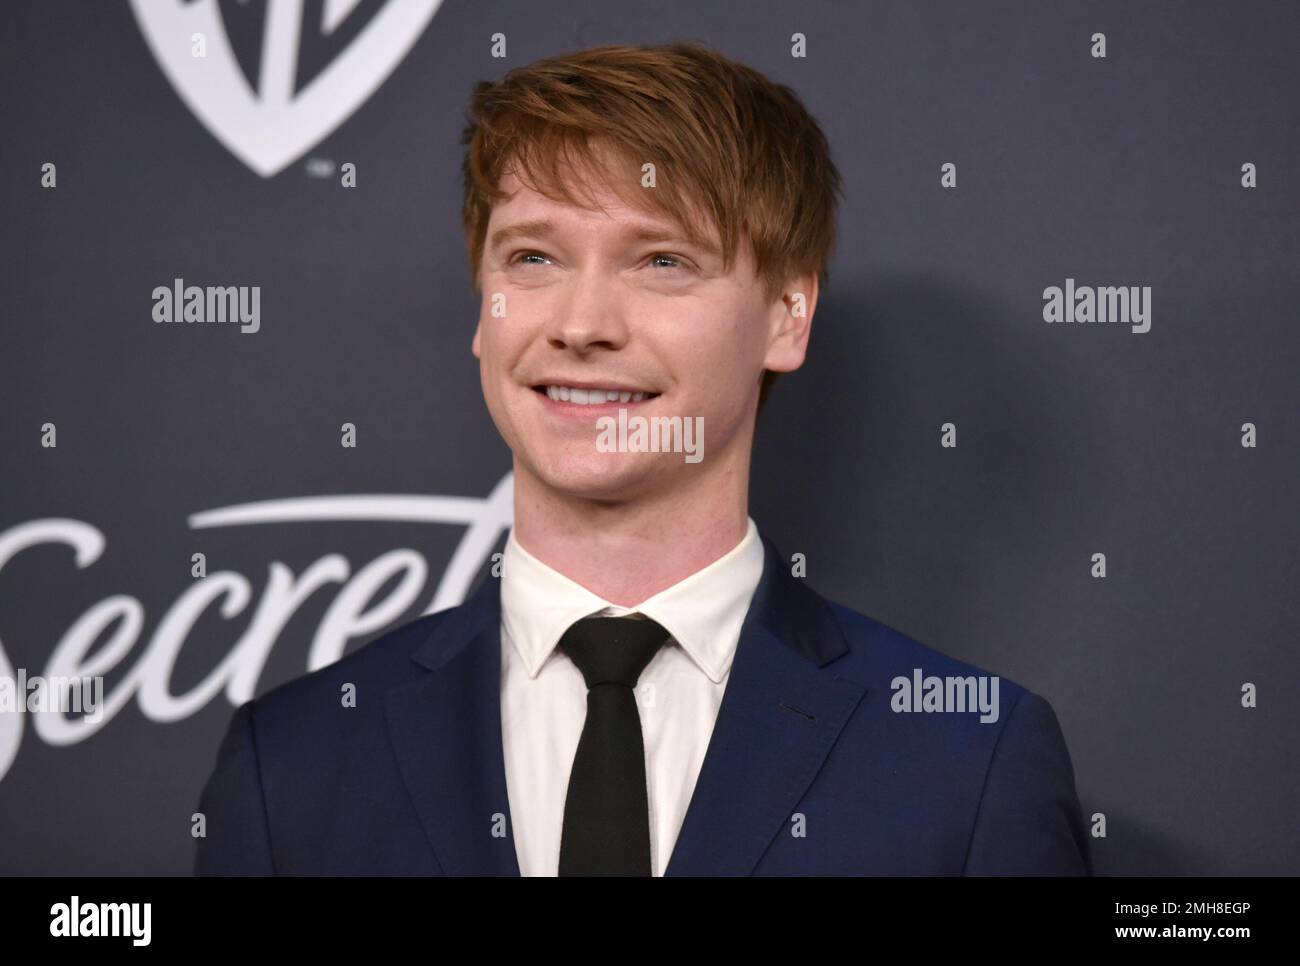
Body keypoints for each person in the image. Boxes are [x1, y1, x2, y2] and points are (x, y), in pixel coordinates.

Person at [194, 42, 1091, 876]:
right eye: (534, 257)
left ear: (788, 314)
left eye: (661, 260)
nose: (582, 325)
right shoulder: (295, 762)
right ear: (483, 307)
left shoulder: (966, 757)